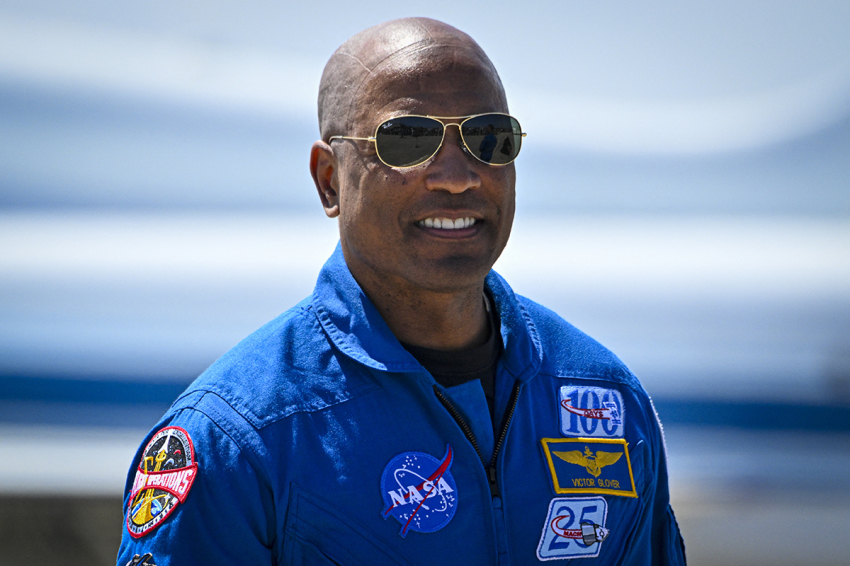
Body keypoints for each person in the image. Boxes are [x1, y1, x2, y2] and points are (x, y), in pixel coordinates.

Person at [116, 17, 686, 566]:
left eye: (489, 138)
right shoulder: (239, 439)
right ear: (329, 180)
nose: (459, 175)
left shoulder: (605, 397)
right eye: (409, 140)